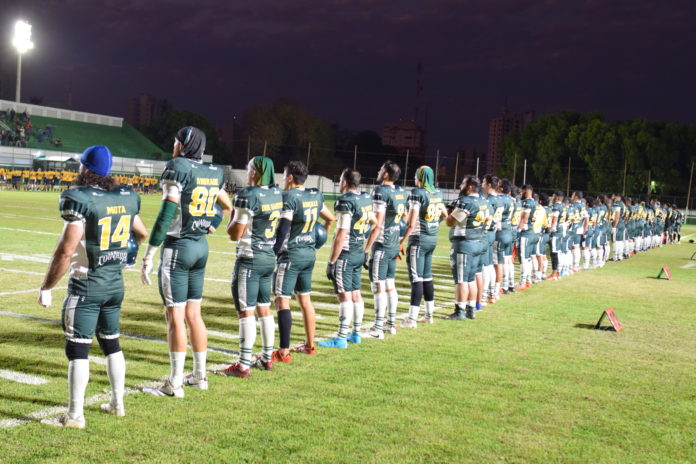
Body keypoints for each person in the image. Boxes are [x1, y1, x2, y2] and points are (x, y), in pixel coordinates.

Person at [38, 145, 148, 428]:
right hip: (114, 285)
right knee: (111, 343)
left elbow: (66, 251)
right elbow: (141, 232)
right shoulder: (124, 196)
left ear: (85, 168)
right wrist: (126, 256)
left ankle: (75, 416)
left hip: (87, 285)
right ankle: (117, 403)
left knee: (78, 350)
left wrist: (46, 286)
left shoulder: (80, 198)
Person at [141, 126, 231, 397]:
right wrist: (211, 223)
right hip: (200, 247)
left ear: (182, 144)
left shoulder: (177, 167)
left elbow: (167, 212)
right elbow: (227, 206)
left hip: (179, 248)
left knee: (175, 317)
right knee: (194, 315)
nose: (174, 146)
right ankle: (200, 376)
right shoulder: (213, 171)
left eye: (175, 141)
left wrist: (149, 254)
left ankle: (174, 383)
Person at [217, 156, 282, 377]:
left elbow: (235, 234)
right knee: (264, 308)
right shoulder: (276, 193)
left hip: (250, 258)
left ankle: (243, 365)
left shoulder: (248, 195)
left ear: (255, 172)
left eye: (248, 169)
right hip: (268, 257)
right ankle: (267, 357)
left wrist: (229, 219)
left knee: (246, 312)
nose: (247, 172)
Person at [272, 161, 334, 358]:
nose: (283, 179)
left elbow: (283, 228)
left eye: (284, 175)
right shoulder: (314, 195)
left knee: (282, 301)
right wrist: (318, 239)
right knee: (305, 300)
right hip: (309, 254)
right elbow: (330, 218)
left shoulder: (289, 196)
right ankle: (309, 345)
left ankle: (284, 351)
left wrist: (274, 251)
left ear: (290, 177)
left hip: (291, 254)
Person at [320, 168, 375, 348]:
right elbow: (376, 224)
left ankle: (341, 338)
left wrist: (331, 262)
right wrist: (366, 249)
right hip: (359, 252)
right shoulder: (365, 198)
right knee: (356, 294)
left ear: (344, 182)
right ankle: (356, 334)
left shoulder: (345, 202)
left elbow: (341, 234)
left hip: (346, 254)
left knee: (344, 296)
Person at [387, 166, 446, 331]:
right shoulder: (438, 193)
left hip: (419, 239)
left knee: (416, 278)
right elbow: (445, 215)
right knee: (427, 277)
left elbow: (411, 223)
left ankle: (412, 319)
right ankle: (428, 315)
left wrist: (402, 240)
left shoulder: (417, 193)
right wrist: (432, 224)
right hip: (432, 239)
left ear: (420, 177)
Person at [365, 161, 408, 332]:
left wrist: (366, 249)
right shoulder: (401, 192)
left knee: (378, 286)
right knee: (390, 284)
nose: (378, 170)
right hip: (393, 244)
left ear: (386, 174)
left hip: (382, 244)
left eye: (381, 169)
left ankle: (377, 329)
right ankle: (390, 324)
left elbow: (377, 224)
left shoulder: (380, 191)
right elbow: (404, 218)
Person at [446, 175, 489, 320]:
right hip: (479, 242)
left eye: (463, 184)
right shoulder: (484, 201)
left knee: (461, 280)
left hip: (465, 244)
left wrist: (447, 212)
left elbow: (450, 222)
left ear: (469, 187)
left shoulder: (466, 202)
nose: (460, 186)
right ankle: (471, 309)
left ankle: (460, 311)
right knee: (471, 279)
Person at [494, 179, 516, 292]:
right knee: (507, 259)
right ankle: (509, 284)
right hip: (509, 231)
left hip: (501, 232)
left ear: (501, 188)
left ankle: (499, 287)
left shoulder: (499, 199)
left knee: (498, 261)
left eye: (498, 185)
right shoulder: (513, 200)